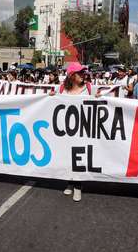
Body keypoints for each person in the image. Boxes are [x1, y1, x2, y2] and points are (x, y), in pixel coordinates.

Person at [49, 62, 91, 201]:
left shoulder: (89, 88)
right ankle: (69, 183)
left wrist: (98, 97)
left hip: (83, 130)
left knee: (79, 157)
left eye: (83, 72)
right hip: (65, 131)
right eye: (80, 73)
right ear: (72, 75)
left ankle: (78, 186)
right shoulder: (61, 89)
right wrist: (50, 96)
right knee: (67, 157)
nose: (83, 75)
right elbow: (50, 101)